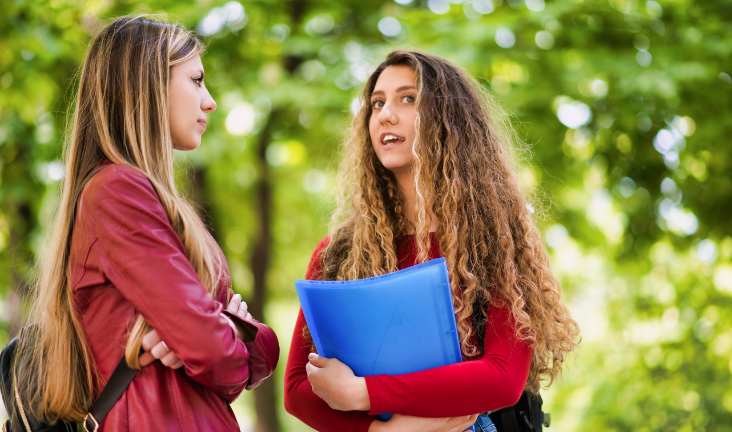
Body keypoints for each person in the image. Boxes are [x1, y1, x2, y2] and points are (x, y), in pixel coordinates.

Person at [284, 50, 580, 432]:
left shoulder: (496, 238)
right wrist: (381, 431)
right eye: (377, 103)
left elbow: (503, 377)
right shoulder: (336, 253)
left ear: (449, 121)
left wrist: (364, 393)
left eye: (408, 98)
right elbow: (296, 388)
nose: (386, 114)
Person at [18, 16, 279, 431]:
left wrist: (234, 328)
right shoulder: (118, 191)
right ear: (150, 85)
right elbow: (214, 354)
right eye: (196, 80)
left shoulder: (156, 201)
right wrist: (224, 330)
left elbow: (255, 349)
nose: (209, 101)